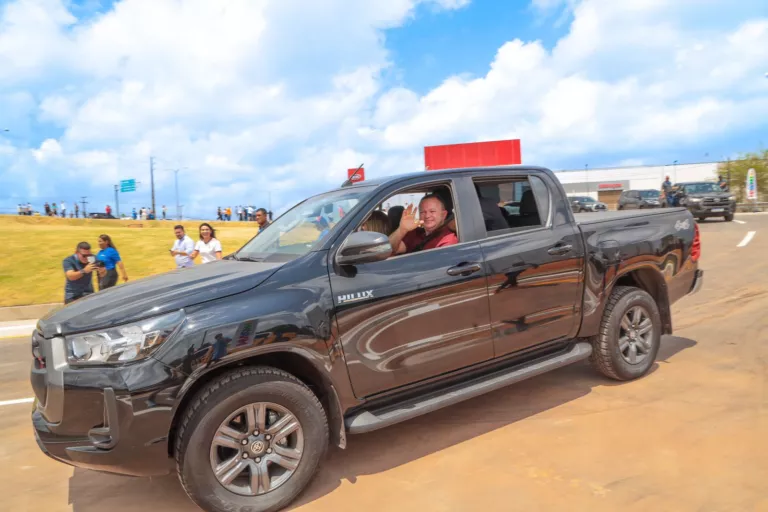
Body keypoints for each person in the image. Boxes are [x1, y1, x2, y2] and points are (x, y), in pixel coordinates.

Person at [389, 194, 458, 255]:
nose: (427, 216)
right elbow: (389, 249)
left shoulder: (447, 240)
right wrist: (401, 230)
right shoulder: (415, 233)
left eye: (432, 211)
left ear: (443, 215)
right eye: (423, 212)